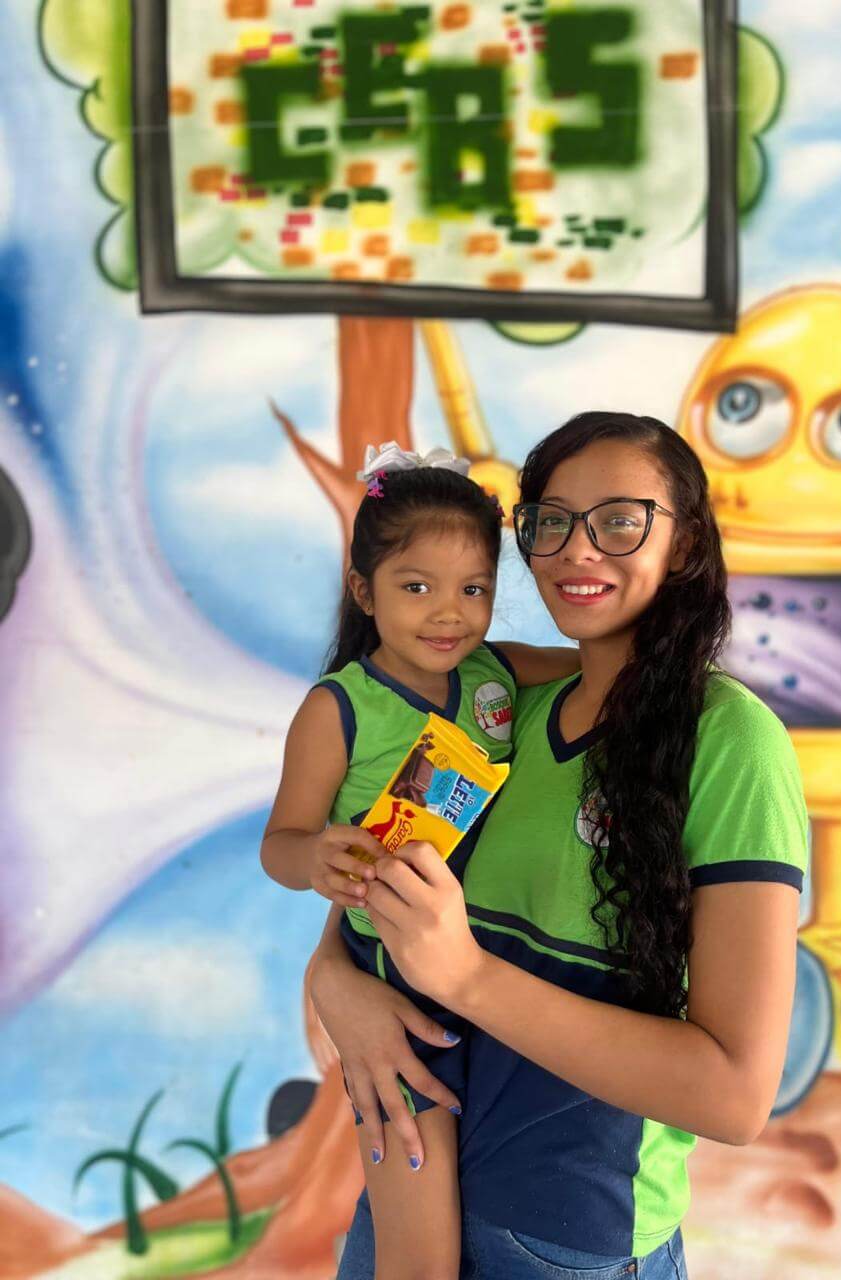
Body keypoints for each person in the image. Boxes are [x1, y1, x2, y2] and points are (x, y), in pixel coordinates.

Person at [310, 413, 809, 1280]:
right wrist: (332, 978)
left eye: (620, 520)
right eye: (550, 521)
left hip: (566, 1244)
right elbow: (379, 890)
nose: (580, 550)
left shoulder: (731, 742)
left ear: (684, 540)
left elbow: (734, 1095)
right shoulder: (497, 716)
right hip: (405, 1219)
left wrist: (464, 976)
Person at [261, 443, 579, 1280]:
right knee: (421, 1252)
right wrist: (318, 858)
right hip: (398, 990)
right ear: (364, 591)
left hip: (500, 973)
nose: (449, 614)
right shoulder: (338, 710)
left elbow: (602, 671)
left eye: (473, 589)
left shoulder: (496, 676)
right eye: (417, 588)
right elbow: (280, 844)